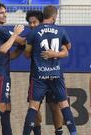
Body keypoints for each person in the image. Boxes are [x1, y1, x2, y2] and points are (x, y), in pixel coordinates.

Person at [23, 5, 77, 135]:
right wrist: (56, 53)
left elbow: (27, 54)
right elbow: (68, 47)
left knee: (33, 107)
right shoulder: (61, 31)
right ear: (54, 17)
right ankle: (73, 133)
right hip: (56, 74)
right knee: (64, 105)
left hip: (39, 75)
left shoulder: (33, 32)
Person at [0, 3, 26, 135]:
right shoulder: (0, 29)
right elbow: (21, 41)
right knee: (1, 106)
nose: (5, 14)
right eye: (1, 12)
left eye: (5, 12)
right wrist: (19, 36)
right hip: (0, 72)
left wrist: (18, 50)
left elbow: (7, 54)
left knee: (7, 108)